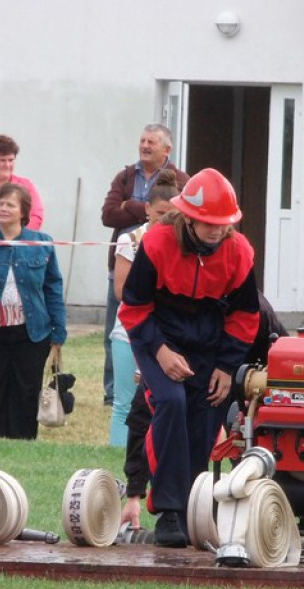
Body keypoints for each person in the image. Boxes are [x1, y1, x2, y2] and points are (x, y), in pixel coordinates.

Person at [120, 168, 259, 547]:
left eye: (223, 224)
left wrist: (227, 368)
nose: (216, 231)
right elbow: (133, 308)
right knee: (170, 402)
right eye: (208, 224)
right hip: (158, 336)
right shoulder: (157, 243)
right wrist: (161, 352)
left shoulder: (239, 252)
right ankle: (167, 509)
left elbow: (246, 316)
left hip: (211, 342)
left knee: (205, 415)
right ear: (189, 217)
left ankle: (192, 507)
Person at [0, 183, 66, 439]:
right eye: (0, 204)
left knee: (27, 391)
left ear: (23, 211)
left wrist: (58, 329)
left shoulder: (41, 243)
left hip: (31, 333)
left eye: (10, 204)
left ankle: (24, 441)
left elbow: (53, 287)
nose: (3, 209)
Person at [101, 125, 189, 406]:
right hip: (125, 262)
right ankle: (114, 389)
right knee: (115, 333)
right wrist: (143, 209)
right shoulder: (126, 176)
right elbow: (108, 214)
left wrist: (132, 206)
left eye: (152, 141)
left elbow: (184, 216)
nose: (145, 146)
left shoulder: (182, 181)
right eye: (142, 140)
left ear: (167, 149)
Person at [108, 170, 180, 447]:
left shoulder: (181, 241)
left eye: (172, 213)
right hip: (128, 332)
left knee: (161, 400)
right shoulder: (131, 240)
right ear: (147, 208)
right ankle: (118, 450)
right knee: (124, 401)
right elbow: (121, 291)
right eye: (160, 212)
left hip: (166, 334)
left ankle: (155, 449)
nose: (165, 219)